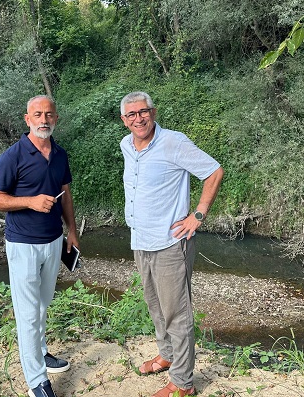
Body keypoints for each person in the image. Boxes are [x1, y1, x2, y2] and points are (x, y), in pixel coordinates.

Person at [119, 91, 224, 397]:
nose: (139, 118)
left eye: (143, 112)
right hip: (141, 239)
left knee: (177, 313)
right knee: (155, 305)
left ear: (153, 112)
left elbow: (214, 172)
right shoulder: (126, 145)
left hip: (170, 243)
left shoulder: (173, 142)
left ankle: (182, 382)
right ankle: (167, 355)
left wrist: (198, 215)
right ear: (124, 120)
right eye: (132, 114)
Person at [0, 95, 79, 397]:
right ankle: (37, 382)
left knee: (42, 305)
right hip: (23, 245)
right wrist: (30, 201)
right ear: (27, 119)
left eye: (49, 114)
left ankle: (40, 353)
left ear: (56, 119)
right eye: (37, 115)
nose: (44, 120)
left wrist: (72, 232)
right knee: (27, 314)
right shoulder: (12, 156)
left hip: (53, 241)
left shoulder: (61, 154)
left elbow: (65, 194)